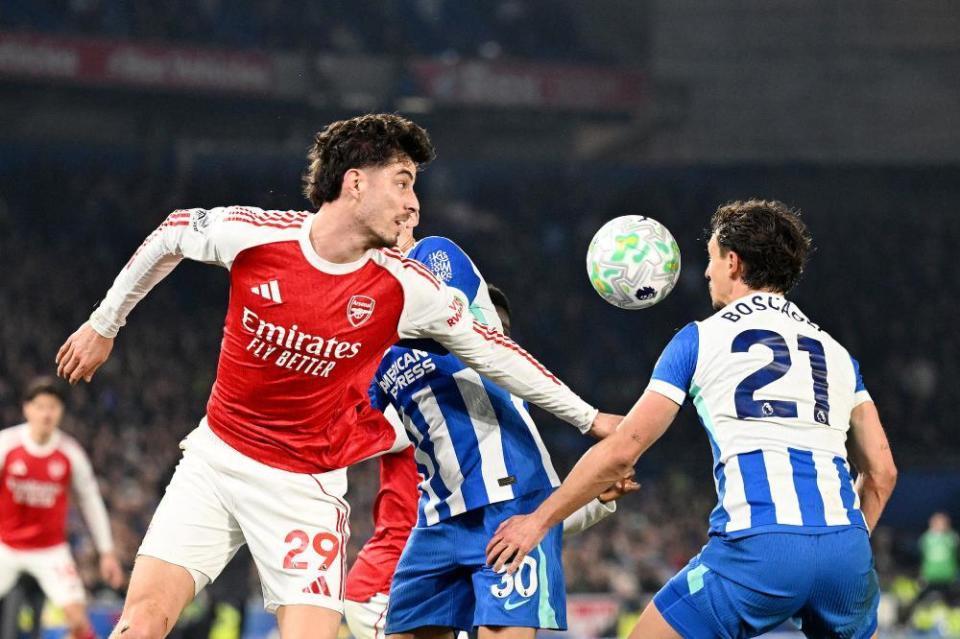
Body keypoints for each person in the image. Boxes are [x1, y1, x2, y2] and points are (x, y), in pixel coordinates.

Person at [55, 114, 618, 639]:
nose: (413, 204)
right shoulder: (256, 237)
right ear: (355, 183)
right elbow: (173, 232)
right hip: (216, 461)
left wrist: (590, 419)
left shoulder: (406, 287)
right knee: (143, 621)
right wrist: (104, 325)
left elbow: (496, 353)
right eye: (402, 183)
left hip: (304, 488)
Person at [487, 199, 899, 639]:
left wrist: (537, 521)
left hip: (756, 547)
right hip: (845, 551)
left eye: (712, 259)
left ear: (733, 262)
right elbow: (881, 473)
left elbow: (623, 450)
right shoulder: (837, 354)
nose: (706, 273)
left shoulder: (700, 339)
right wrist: (839, 550)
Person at [354, 212, 631, 639]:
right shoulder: (362, 334)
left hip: (510, 500)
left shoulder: (434, 257)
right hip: (437, 517)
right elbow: (355, 427)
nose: (408, 208)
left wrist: (589, 420)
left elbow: (477, 342)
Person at [0, 377, 125, 639]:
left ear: (61, 411)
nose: (46, 414)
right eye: (40, 406)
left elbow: (91, 501)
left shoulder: (70, 452)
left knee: (79, 623)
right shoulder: (7, 444)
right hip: (6, 546)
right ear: (27, 409)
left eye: (53, 407)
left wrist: (106, 552)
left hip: (50, 551)